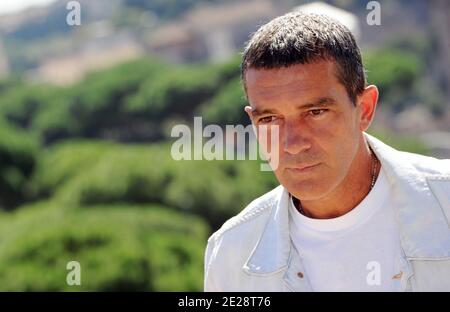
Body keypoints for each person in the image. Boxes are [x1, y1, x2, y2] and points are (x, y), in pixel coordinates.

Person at [203, 11, 450, 292]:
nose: (292, 143)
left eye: (316, 112)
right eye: (269, 119)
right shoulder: (231, 254)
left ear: (365, 109)